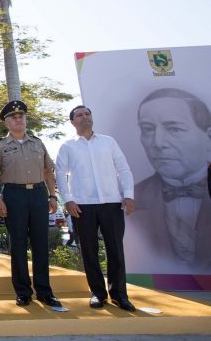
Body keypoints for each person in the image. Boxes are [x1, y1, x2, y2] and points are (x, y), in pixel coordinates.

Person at [56, 105, 137, 311]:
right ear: (73, 122)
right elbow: (60, 175)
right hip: (83, 206)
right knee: (89, 251)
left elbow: (123, 168)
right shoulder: (68, 146)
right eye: (79, 116)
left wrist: (128, 195)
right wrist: (68, 200)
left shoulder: (109, 142)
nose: (84, 118)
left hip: (112, 203)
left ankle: (119, 294)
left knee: (115, 250)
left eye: (87, 114)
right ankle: (98, 293)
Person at [0, 100, 61, 308]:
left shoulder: (38, 143)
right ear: (6, 123)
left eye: (21, 116)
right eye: (13, 117)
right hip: (13, 194)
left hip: (39, 193)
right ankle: (22, 291)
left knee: (41, 243)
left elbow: (48, 171)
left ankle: (44, 291)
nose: (18, 119)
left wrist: (52, 196)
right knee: (18, 244)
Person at [132, 88, 211, 270]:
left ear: (208, 137)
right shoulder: (132, 199)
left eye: (174, 128)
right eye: (148, 129)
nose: (158, 143)